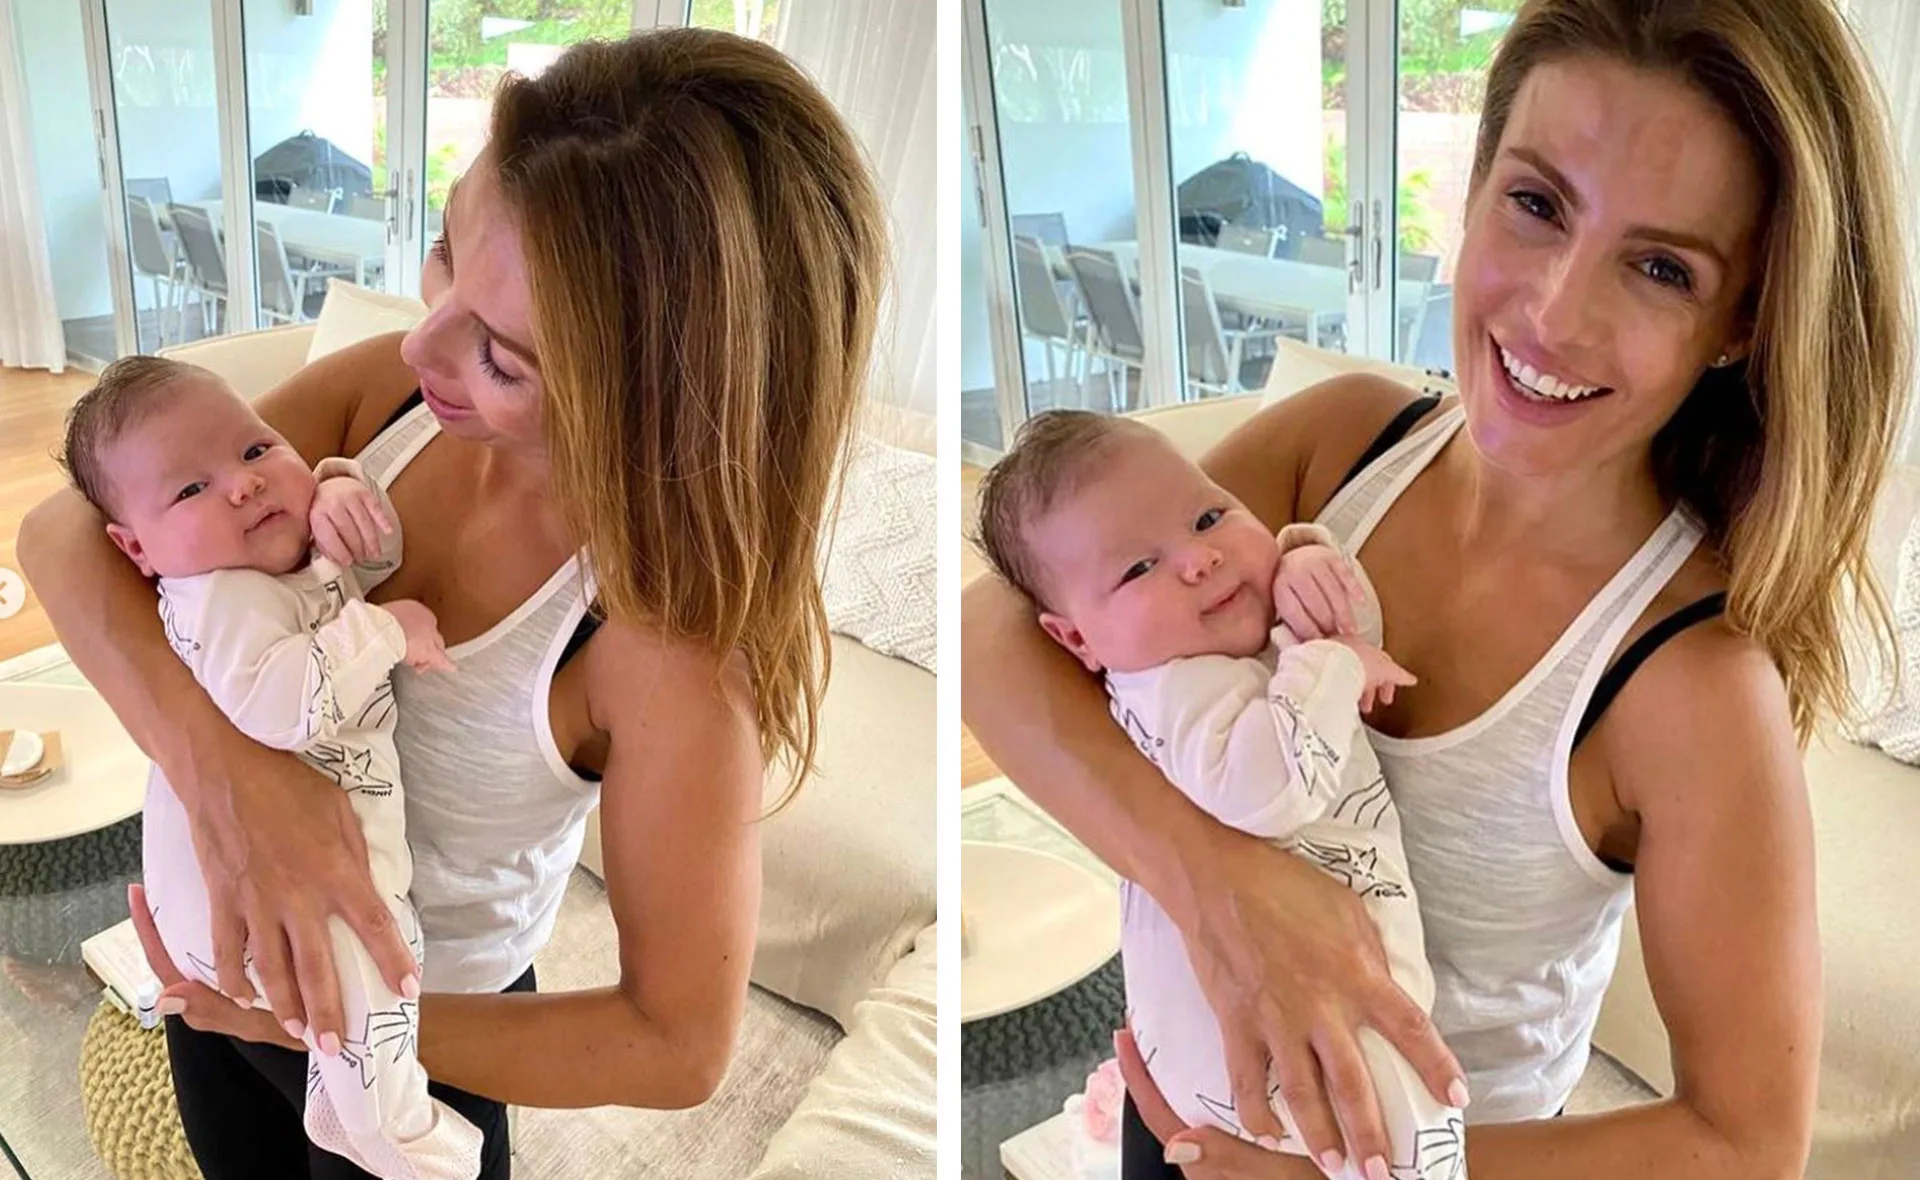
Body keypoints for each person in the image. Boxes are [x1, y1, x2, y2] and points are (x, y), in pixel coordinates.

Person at [961, 0, 1911, 1177]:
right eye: (1536, 202)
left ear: (1741, 320)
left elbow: (1744, 1139)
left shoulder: (1693, 687)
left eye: (1662, 267)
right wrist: (1216, 883)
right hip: (1182, 1120)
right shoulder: (1342, 445)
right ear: (1469, 192)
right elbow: (993, 627)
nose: (1556, 313)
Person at [20, 27, 885, 1180]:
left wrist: (329, 1022)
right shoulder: (395, 398)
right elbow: (66, 527)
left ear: (656, 404)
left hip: (424, 1036)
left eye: (506, 359)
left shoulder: (660, 648)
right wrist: (232, 779)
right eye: (444, 257)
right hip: (218, 972)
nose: (425, 339)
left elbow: (677, 1043)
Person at [972, 409, 1460, 1180]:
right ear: (1077, 642)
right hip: (1273, 1045)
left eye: (1210, 516)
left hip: (1290, 1011)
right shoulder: (1175, 689)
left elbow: (1357, 621)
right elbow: (1271, 788)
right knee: (1394, 1135)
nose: (1198, 560)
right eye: (1137, 570)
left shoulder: (1221, 634)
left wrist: (1303, 560)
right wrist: (1324, 653)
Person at [60, 355, 475, 1178]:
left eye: (255, 451)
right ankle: (392, 1130)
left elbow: (327, 567)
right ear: (135, 548)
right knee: (374, 967)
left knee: (382, 957)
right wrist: (392, 629)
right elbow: (277, 701)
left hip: (284, 866)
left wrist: (332, 481)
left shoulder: (256, 562)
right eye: (190, 491)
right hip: (258, 912)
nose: (243, 487)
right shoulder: (219, 596)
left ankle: (342, 1100)